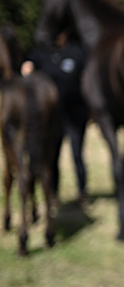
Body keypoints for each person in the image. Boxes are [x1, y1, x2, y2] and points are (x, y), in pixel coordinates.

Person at [21, 33, 89, 204]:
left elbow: (87, 78)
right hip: (51, 117)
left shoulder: (76, 52)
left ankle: (82, 193)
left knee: (77, 153)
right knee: (52, 155)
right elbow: (27, 70)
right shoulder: (41, 52)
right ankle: (53, 193)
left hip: (75, 113)